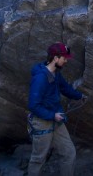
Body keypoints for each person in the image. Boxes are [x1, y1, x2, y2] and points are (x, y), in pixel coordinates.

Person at [27, 42, 84, 176]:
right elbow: (33, 105)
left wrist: (80, 96)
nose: (65, 61)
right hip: (42, 123)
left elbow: (65, 88)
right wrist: (53, 115)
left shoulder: (55, 74)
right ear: (55, 58)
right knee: (38, 159)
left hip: (56, 120)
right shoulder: (40, 78)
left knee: (69, 153)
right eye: (64, 58)